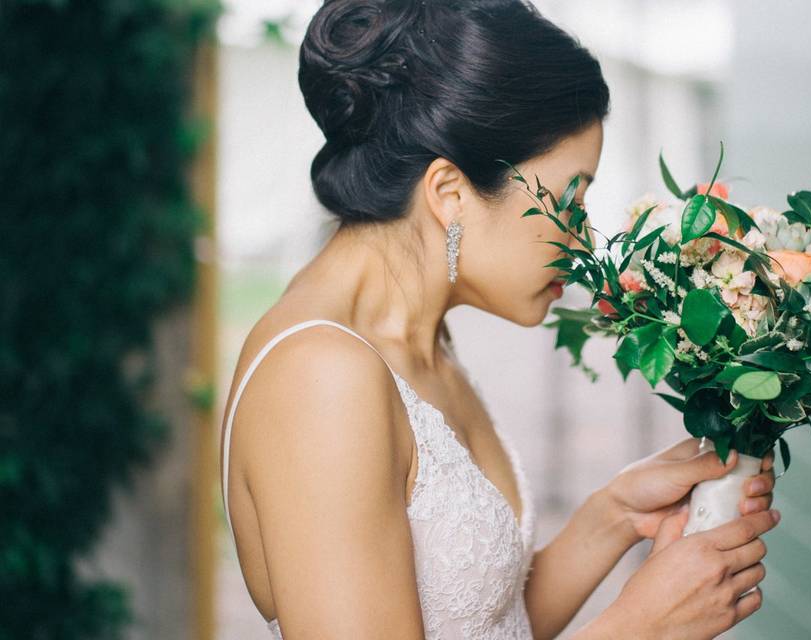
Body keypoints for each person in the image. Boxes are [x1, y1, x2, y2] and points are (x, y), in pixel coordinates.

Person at [218, 0, 780, 638]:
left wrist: (613, 516)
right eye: (570, 200)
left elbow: (485, 622)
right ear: (451, 194)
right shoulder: (318, 377)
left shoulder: (420, 338)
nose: (584, 239)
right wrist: (640, 625)